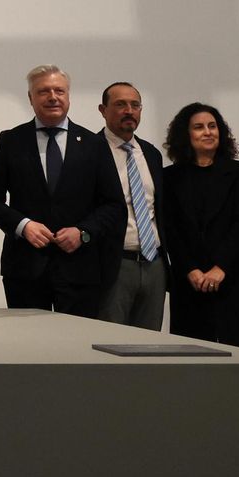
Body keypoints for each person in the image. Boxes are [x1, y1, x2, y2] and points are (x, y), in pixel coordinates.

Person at [0, 65, 124, 316]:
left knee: (77, 349)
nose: (53, 97)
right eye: (44, 91)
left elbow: (113, 205)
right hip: (25, 268)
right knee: (29, 350)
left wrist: (83, 232)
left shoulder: (94, 144)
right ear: (30, 98)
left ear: (68, 96)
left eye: (59, 90)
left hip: (80, 269)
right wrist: (23, 226)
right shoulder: (11, 140)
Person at [157, 103, 239, 347]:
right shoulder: (169, 177)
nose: (207, 132)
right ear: (186, 134)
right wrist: (190, 269)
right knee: (192, 356)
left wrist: (220, 268)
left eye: (212, 126)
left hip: (234, 277)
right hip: (190, 280)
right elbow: (170, 229)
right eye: (199, 127)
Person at [93, 82, 169, 330]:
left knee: (150, 346)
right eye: (120, 104)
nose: (129, 110)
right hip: (113, 264)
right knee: (110, 342)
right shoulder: (89, 152)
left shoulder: (151, 153)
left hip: (154, 263)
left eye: (135, 105)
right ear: (103, 110)